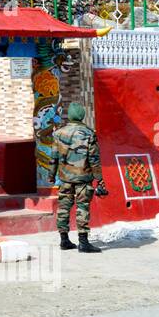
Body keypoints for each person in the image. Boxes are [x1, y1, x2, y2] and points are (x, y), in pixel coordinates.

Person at [50, 102, 105, 253]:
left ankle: (64, 240)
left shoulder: (59, 133)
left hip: (65, 178)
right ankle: (83, 242)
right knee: (82, 208)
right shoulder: (88, 133)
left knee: (63, 208)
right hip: (83, 178)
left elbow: (53, 156)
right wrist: (99, 179)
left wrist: (51, 174)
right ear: (81, 115)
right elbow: (94, 159)